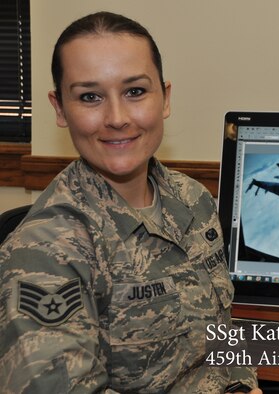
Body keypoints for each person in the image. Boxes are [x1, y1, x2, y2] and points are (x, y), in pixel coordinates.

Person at [0, 11, 261, 393]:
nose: (117, 118)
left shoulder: (194, 200)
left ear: (165, 98)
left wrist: (242, 384)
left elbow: (221, 333)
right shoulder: (45, 250)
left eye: (135, 91)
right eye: (90, 97)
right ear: (59, 109)